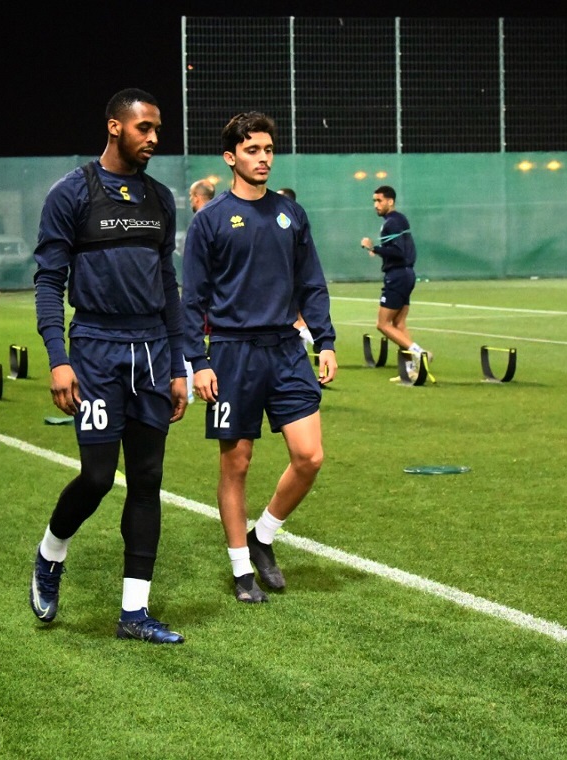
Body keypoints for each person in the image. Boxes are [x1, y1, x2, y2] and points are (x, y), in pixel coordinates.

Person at [30, 88, 188, 644]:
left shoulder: (161, 199)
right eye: (144, 128)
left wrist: (178, 365)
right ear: (115, 127)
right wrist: (58, 359)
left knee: (147, 479)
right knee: (98, 478)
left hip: (150, 352)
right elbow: (49, 281)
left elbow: (169, 286)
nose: (153, 138)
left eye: (157, 129)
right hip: (95, 349)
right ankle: (51, 552)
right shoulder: (71, 193)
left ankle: (135, 614)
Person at [181, 111, 337, 603]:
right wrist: (198, 360)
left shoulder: (292, 214)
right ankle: (241, 569)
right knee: (238, 464)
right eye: (252, 150)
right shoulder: (209, 221)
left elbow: (311, 282)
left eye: (268, 150)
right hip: (231, 354)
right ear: (231, 158)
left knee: (309, 457)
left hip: (288, 350)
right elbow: (192, 299)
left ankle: (263, 536)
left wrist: (325, 340)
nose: (263, 158)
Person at [360, 185, 432, 382]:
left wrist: (373, 247)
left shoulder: (391, 222)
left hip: (398, 276)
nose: (376, 205)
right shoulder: (399, 219)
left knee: (382, 324)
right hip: (407, 274)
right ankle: (409, 370)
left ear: (390, 201)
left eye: (379, 201)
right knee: (399, 323)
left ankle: (419, 352)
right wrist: (380, 250)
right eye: (374, 201)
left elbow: (398, 251)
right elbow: (401, 248)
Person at [184, 178, 217, 401]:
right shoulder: (221, 216)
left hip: (206, 297)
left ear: (196, 198)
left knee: (187, 336)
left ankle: (189, 389)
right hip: (221, 298)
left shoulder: (201, 221)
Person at [278, 187, 314, 348]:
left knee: (292, 316)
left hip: (287, 274)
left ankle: (314, 340)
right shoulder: (298, 218)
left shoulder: (284, 220)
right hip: (295, 273)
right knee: (297, 315)